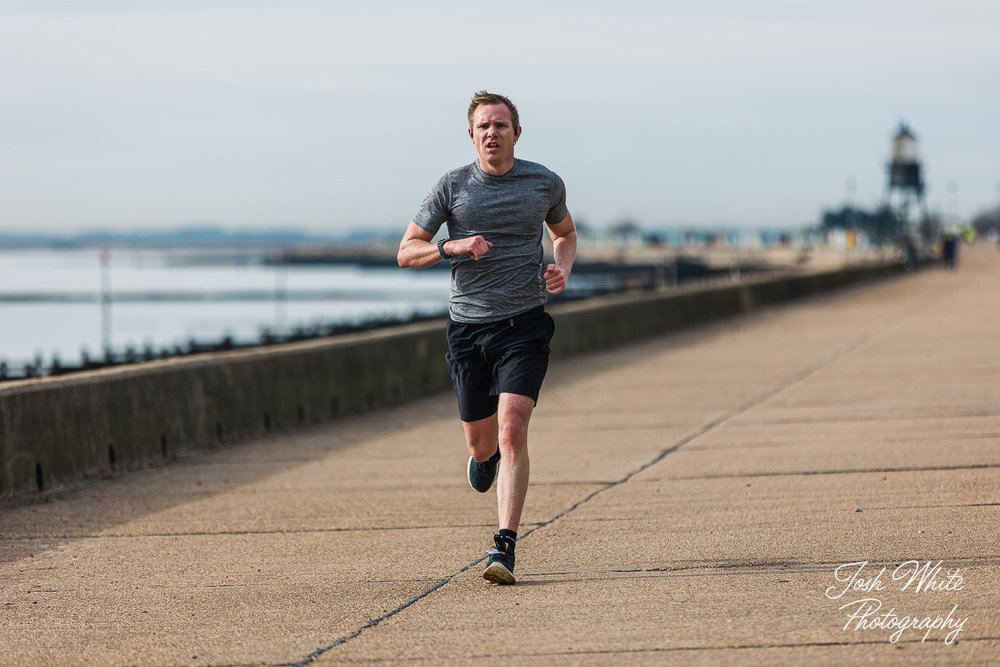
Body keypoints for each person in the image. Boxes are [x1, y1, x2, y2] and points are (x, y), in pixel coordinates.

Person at [397, 90, 577, 585]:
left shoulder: (543, 182)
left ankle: (504, 546)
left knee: (513, 427)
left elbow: (564, 233)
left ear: (517, 132)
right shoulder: (452, 187)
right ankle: (484, 458)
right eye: (484, 127)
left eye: (501, 125)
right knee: (482, 445)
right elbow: (406, 251)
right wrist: (452, 246)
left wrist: (561, 268)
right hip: (468, 330)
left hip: (524, 324)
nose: (492, 133)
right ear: (472, 135)